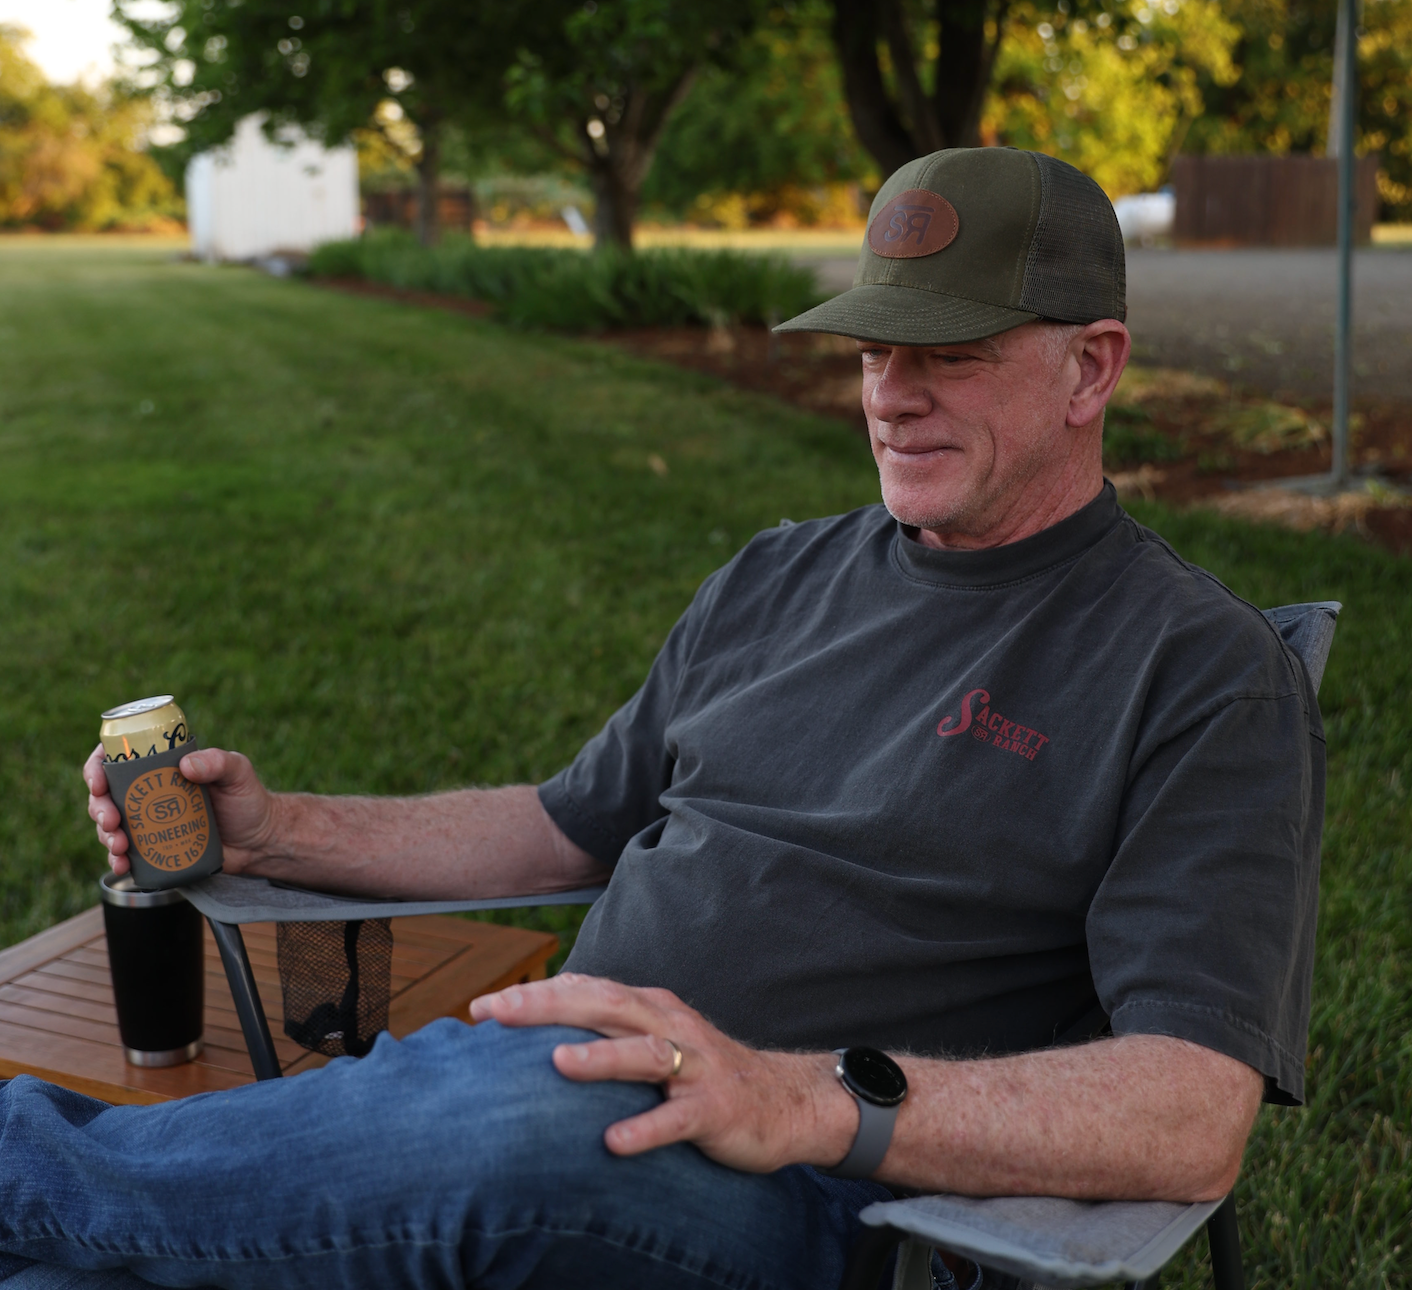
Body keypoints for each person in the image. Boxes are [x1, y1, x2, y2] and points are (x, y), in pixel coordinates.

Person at [2, 148, 1322, 1290]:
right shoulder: (779, 576)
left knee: (536, 1097)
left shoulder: (1194, 668)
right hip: (536, 1100)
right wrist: (278, 826)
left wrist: (795, 1094)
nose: (889, 393)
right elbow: (555, 827)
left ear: (1092, 369)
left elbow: (1189, 1108)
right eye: (874, 350)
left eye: (952, 356)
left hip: (807, 1199)